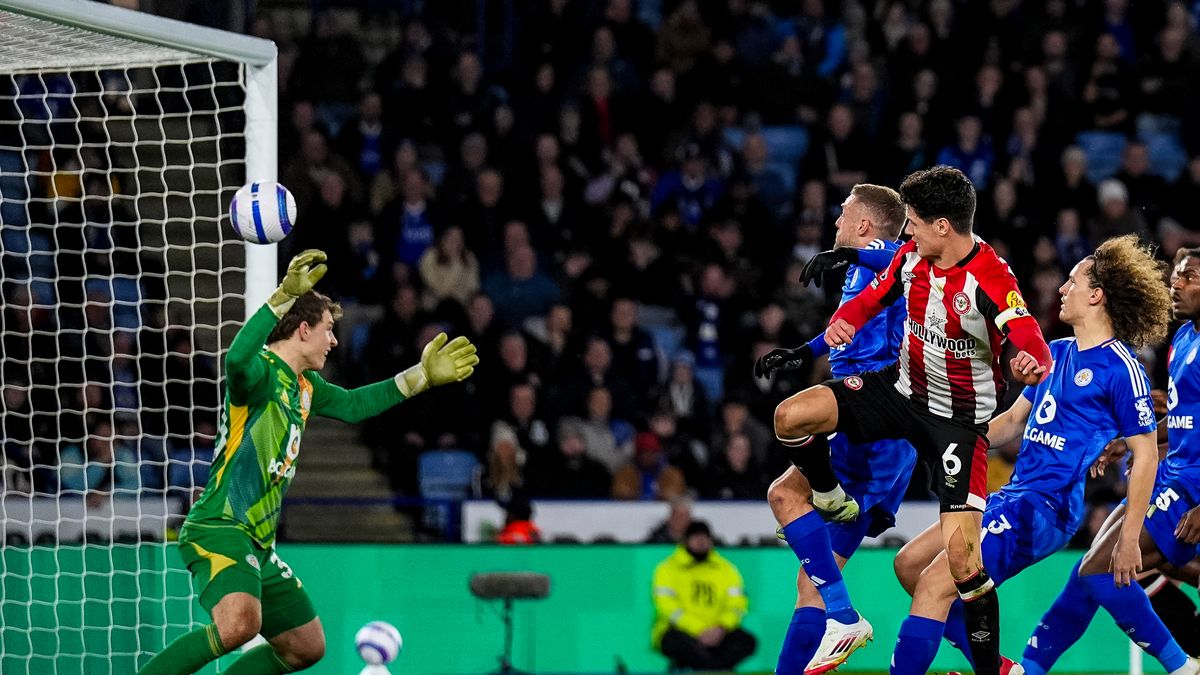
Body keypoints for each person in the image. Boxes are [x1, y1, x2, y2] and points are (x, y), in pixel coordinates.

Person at [137, 250, 479, 675]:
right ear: (303, 329)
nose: (334, 341)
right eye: (329, 330)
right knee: (241, 624)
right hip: (220, 528)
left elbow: (355, 405)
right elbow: (235, 360)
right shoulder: (259, 372)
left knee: (306, 646)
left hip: (258, 543)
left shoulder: (305, 386)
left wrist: (421, 377)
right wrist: (280, 297)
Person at [774, 166, 1052, 674]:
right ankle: (829, 502)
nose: (908, 231)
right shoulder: (911, 257)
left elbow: (1027, 333)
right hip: (899, 393)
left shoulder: (990, 275)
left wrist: (1031, 361)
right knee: (791, 416)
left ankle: (990, 668)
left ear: (942, 226)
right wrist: (842, 321)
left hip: (955, 421)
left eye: (915, 222)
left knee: (964, 565)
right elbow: (872, 295)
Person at [888, 235, 1176, 675]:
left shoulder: (1122, 367)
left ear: (1096, 295)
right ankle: (999, 668)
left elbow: (1146, 455)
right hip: (1014, 494)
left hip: (1046, 507)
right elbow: (1008, 425)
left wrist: (1129, 536)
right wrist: (943, 430)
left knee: (935, 584)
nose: (1062, 288)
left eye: (1073, 281)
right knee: (908, 565)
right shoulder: (1054, 353)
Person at [754, 183, 916, 674]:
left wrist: (850, 251)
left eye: (844, 214)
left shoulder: (896, 263)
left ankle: (846, 615)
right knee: (813, 583)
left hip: (876, 419)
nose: (836, 221)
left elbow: (906, 254)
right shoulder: (859, 271)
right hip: (867, 423)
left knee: (785, 490)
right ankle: (835, 622)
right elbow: (845, 329)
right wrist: (803, 354)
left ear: (864, 224)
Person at [1018, 246, 1200, 675]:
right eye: (1175, 274)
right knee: (1089, 572)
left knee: (1103, 570)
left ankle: (1181, 666)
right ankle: (1030, 668)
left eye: (1189, 275)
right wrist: (1136, 438)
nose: (1177, 282)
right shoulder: (1185, 338)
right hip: (1172, 472)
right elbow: (1191, 423)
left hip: (1190, 485)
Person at [651, 520, 757, 670]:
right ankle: (717, 669)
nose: (701, 542)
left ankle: (709, 667)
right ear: (686, 540)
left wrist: (721, 627)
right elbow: (667, 607)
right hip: (683, 632)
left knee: (747, 641)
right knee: (677, 643)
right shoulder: (667, 568)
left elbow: (738, 604)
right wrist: (699, 630)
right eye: (696, 538)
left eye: (705, 538)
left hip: (719, 631)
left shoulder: (726, 569)